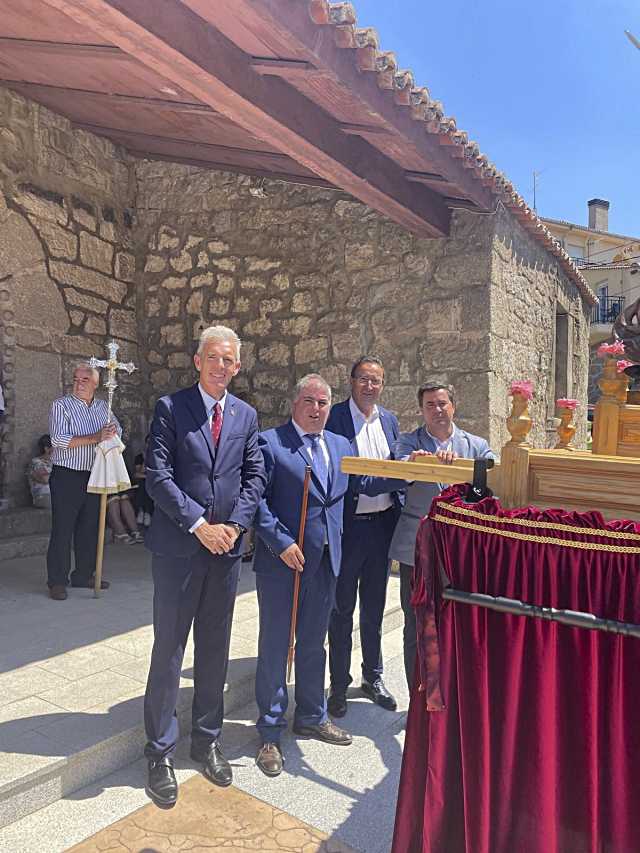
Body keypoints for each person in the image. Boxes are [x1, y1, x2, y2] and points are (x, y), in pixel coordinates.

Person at [143, 324, 266, 808]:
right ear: (197, 361)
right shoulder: (171, 409)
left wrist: (234, 526)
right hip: (180, 550)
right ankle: (160, 751)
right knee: (170, 648)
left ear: (237, 367)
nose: (221, 367)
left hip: (227, 552)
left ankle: (206, 739)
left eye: (229, 360)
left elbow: (254, 476)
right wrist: (199, 524)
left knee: (214, 647)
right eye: (213, 358)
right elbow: (157, 475)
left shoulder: (246, 415)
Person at [251, 374, 390, 778]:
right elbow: (255, 500)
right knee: (278, 645)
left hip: (329, 559)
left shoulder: (340, 445)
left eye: (324, 402)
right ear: (295, 403)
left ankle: (311, 714)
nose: (316, 409)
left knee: (315, 642)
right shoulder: (271, 443)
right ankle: (270, 731)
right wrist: (280, 542)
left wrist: (411, 468)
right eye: (309, 401)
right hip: (285, 562)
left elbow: (363, 484)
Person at [390, 383, 494, 689]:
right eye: (430, 405)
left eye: (442, 403)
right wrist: (421, 463)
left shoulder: (475, 444)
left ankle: (453, 692)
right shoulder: (409, 442)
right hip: (415, 546)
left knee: (455, 622)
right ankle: (415, 698)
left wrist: (463, 470)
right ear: (422, 410)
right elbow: (402, 469)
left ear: (453, 406)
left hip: (460, 549)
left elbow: (490, 475)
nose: (437, 409)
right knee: (414, 624)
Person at [326, 356, 404, 718]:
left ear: (382, 384)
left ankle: (372, 678)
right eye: (363, 379)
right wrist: (402, 476)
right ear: (351, 381)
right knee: (341, 611)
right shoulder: (335, 419)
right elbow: (347, 476)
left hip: (382, 526)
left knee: (373, 607)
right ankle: (338, 685)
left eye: (376, 380)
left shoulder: (389, 421)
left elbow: (398, 462)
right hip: (350, 528)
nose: (369, 386)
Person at [46, 364, 120, 601]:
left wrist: (112, 434)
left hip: (94, 474)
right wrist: (95, 437)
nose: (79, 383)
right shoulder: (61, 405)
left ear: (96, 384)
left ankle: (84, 575)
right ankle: (57, 581)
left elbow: (118, 430)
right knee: (63, 529)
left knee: (90, 528)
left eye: (85, 379)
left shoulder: (103, 407)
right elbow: (58, 439)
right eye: (76, 379)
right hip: (67, 474)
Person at [28, 434, 53, 509]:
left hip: (54, 495)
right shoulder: (36, 462)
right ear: (46, 449)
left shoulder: (54, 463)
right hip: (43, 497)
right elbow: (45, 479)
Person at [133, 435, 154, 527]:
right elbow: (138, 473)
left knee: (146, 484)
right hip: (145, 481)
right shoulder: (139, 457)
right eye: (148, 442)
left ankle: (145, 511)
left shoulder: (158, 457)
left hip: (154, 481)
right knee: (143, 485)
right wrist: (145, 459)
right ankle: (144, 512)